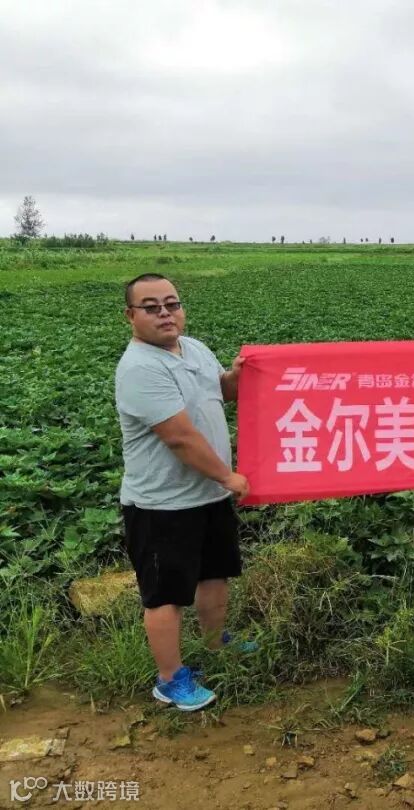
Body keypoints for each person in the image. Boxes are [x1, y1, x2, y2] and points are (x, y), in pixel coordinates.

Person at [115, 273, 250, 710]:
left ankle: (216, 643)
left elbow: (221, 392)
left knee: (214, 574)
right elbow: (179, 438)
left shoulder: (194, 348)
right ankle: (170, 680)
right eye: (151, 307)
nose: (164, 313)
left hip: (207, 495)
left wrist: (236, 376)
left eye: (171, 304)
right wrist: (227, 477)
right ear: (130, 315)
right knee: (165, 593)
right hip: (163, 503)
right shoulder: (140, 368)